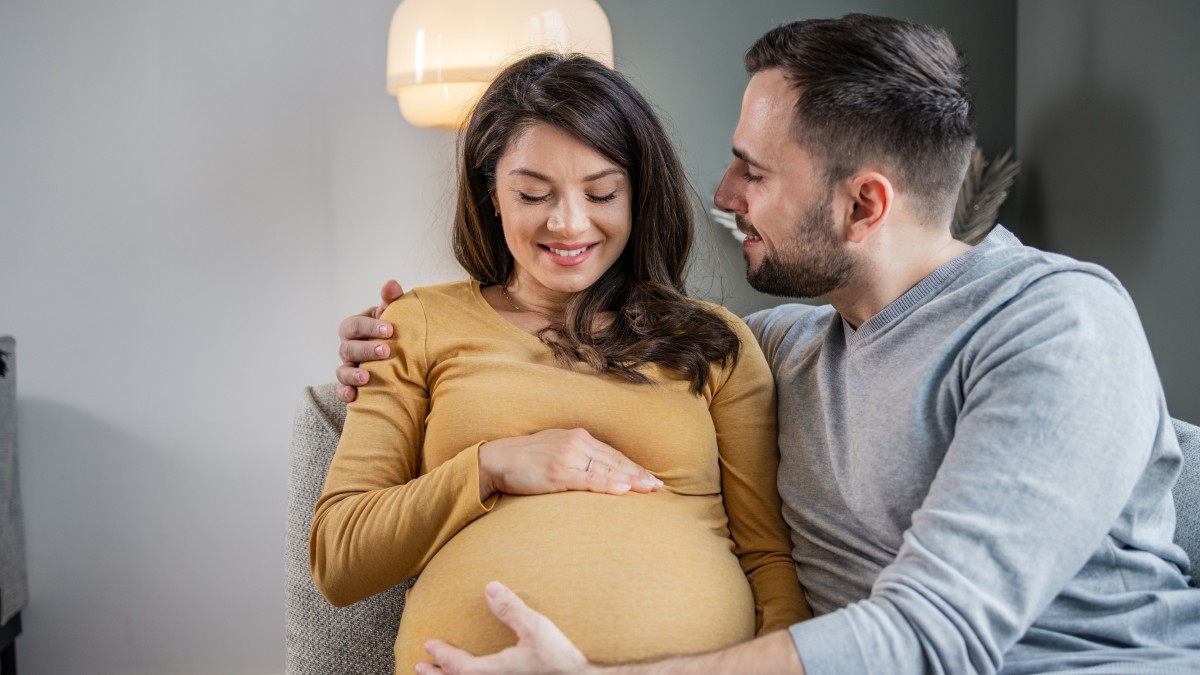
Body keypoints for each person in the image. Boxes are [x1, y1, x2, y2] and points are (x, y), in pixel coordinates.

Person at [337, 13, 1200, 675]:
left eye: (754, 169)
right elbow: (617, 368)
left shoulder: (1056, 326)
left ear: (863, 205)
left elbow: (935, 636)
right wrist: (393, 358)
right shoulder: (784, 345)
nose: (722, 190)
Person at [310, 52, 810, 674]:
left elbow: (769, 560)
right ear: (492, 194)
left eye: (601, 192)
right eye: (532, 193)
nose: (569, 223)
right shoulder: (414, 325)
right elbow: (339, 560)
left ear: (637, 194)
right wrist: (491, 466)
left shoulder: (715, 342)